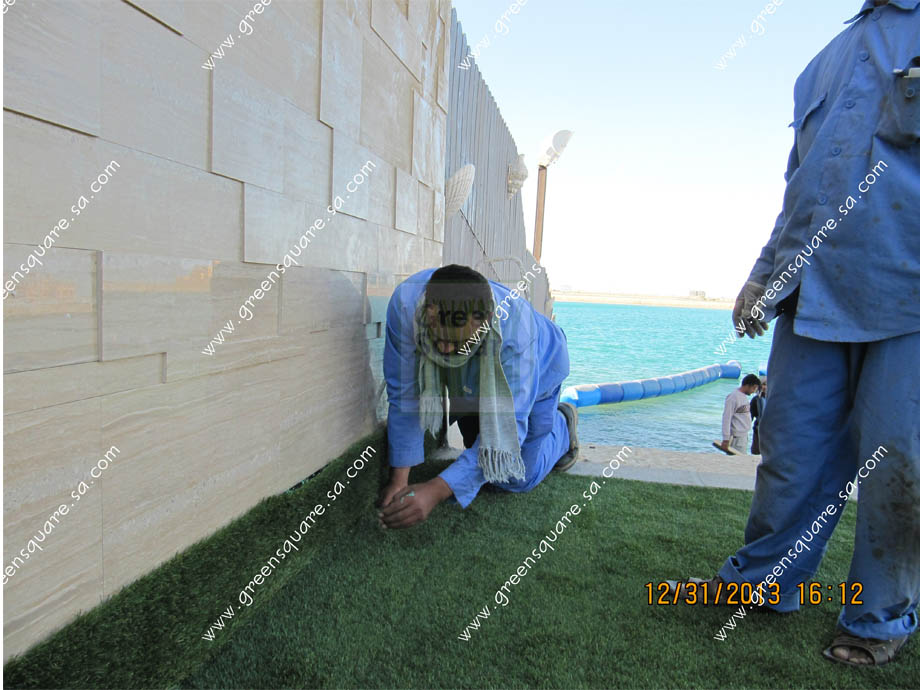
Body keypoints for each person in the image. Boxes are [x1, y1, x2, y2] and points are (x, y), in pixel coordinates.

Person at [671, 0, 919, 667]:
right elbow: (801, 188)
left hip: (910, 295)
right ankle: (763, 582)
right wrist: (762, 275)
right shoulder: (820, 65)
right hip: (812, 292)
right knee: (790, 452)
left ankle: (878, 618)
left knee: (900, 464)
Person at [377, 264, 578, 530]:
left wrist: (436, 490)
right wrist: (399, 481)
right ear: (428, 311)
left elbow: (506, 431)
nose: (445, 351)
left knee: (513, 478)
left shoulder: (517, 334)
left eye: (456, 344)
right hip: (472, 384)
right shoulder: (405, 305)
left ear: (486, 320)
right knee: (478, 455)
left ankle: (562, 423)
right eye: (439, 339)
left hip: (543, 372)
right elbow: (405, 394)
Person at [720, 374, 761, 454]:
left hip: (743, 435)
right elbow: (726, 418)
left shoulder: (743, 397)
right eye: (753, 388)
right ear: (747, 385)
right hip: (736, 437)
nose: (754, 391)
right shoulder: (733, 397)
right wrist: (726, 439)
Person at [750, 379, 767, 455]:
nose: (765, 387)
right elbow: (750, 415)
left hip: (771, 430)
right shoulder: (756, 399)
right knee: (756, 451)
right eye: (763, 384)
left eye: (766, 385)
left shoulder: (774, 399)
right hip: (758, 429)